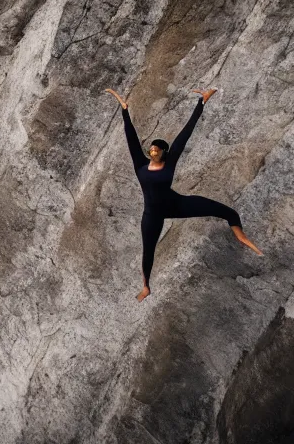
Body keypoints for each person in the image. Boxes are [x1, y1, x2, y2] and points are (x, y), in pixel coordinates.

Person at [105, 87, 263, 302]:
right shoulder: (140, 166)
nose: (152, 153)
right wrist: (124, 110)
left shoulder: (169, 162)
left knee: (226, 211)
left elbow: (185, 134)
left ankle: (241, 236)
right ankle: (146, 286)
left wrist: (201, 103)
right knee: (148, 252)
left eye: (156, 151)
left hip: (176, 204)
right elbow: (131, 138)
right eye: (150, 150)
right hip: (152, 215)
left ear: (163, 153)